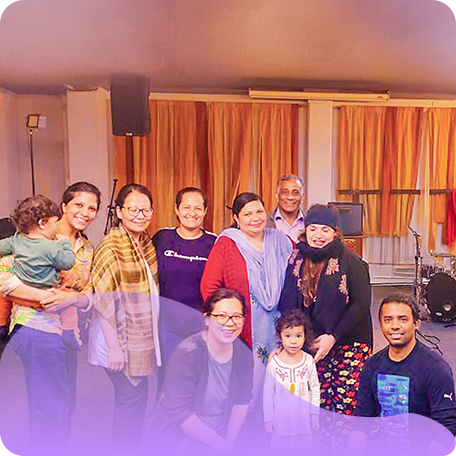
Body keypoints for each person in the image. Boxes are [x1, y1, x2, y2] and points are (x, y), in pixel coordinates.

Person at [0, 182, 101, 454]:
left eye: (92, 208)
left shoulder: (87, 248)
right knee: (49, 407)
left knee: (65, 405)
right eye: (79, 205)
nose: (85, 212)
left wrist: (72, 299)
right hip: (36, 327)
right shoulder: (31, 235)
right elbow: (4, 278)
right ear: (63, 206)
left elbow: (90, 289)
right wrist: (45, 297)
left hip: (67, 331)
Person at [278, 203, 373, 448]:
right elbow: (288, 302)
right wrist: (299, 340)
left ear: (335, 232)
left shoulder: (351, 261)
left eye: (325, 229)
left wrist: (333, 336)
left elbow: (361, 305)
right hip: (312, 344)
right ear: (305, 230)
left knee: (345, 405)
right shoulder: (296, 258)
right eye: (313, 229)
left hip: (349, 342)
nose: (318, 235)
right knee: (316, 403)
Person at [89, 183, 161, 453]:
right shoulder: (111, 247)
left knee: (136, 399)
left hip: (138, 338)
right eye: (133, 210)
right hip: (117, 339)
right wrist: (115, 347)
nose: (140, 215)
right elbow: (102, 301)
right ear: (119, 212)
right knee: (131, 399)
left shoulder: (145, 243)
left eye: (146, 210)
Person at [149, 288, 253, 453]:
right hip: (183, 436)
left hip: (223, 436)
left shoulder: (244, 354)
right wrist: (217, 443)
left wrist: (228, 444)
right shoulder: (187, 353)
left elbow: (242, 402)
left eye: (237, 316)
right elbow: (179, 411)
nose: (229, 323)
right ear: (207, 319)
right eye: (221, 316)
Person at [350, 294, 456, 454]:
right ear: (381, 325)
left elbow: (446, 428)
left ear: (416, 324)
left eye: (403, 319)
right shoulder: (372, 366)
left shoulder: (435, 368)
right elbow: (361, 420)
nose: (395, 326)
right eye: (388, 320)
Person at [201, 192, 293, 361]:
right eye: (247, 214)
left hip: (280, 328)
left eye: (259, 211)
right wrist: (225, 322)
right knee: (247, 373)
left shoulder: (281, 240)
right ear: (236, 218)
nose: (255, 218)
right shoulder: (226, 244)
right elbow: (209, 287)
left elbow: (302, 267)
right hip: (242, 327)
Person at [152, 187, 217, 363]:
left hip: (201, 327)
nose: (192, 213)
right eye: (186, 207)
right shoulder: (162, 238)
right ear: (177, 209)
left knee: (199, 373)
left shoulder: (214, 242)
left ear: (205, 211)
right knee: (168, 372)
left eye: (198, 208)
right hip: (167, 325)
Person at [0, 195, 76, 337]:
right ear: (42, 223)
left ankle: (2, 325)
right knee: (69, 303)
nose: (57, 227)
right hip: (46, 289)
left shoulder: (17, 239)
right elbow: (68, 262)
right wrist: (65, 243)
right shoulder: (51, 247)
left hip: (23, 289)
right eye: (56, 222)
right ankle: (69, 333)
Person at [263, 309, 320, 450]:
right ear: (280, 336)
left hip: (303, 422)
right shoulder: (274, 363)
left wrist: (314, 413)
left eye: (298, 335)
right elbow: (268, 392)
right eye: (288, 336)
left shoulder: (308, 361)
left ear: (305, 336)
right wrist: (268, 418)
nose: (293, 341)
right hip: (281, 424)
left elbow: (314, 388)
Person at [266, 174, 305, 243]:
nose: (290, 197)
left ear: (302, 198)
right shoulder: (264, 223)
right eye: (285, 192)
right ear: (277, 196)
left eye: (295, 193)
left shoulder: (310, 223)